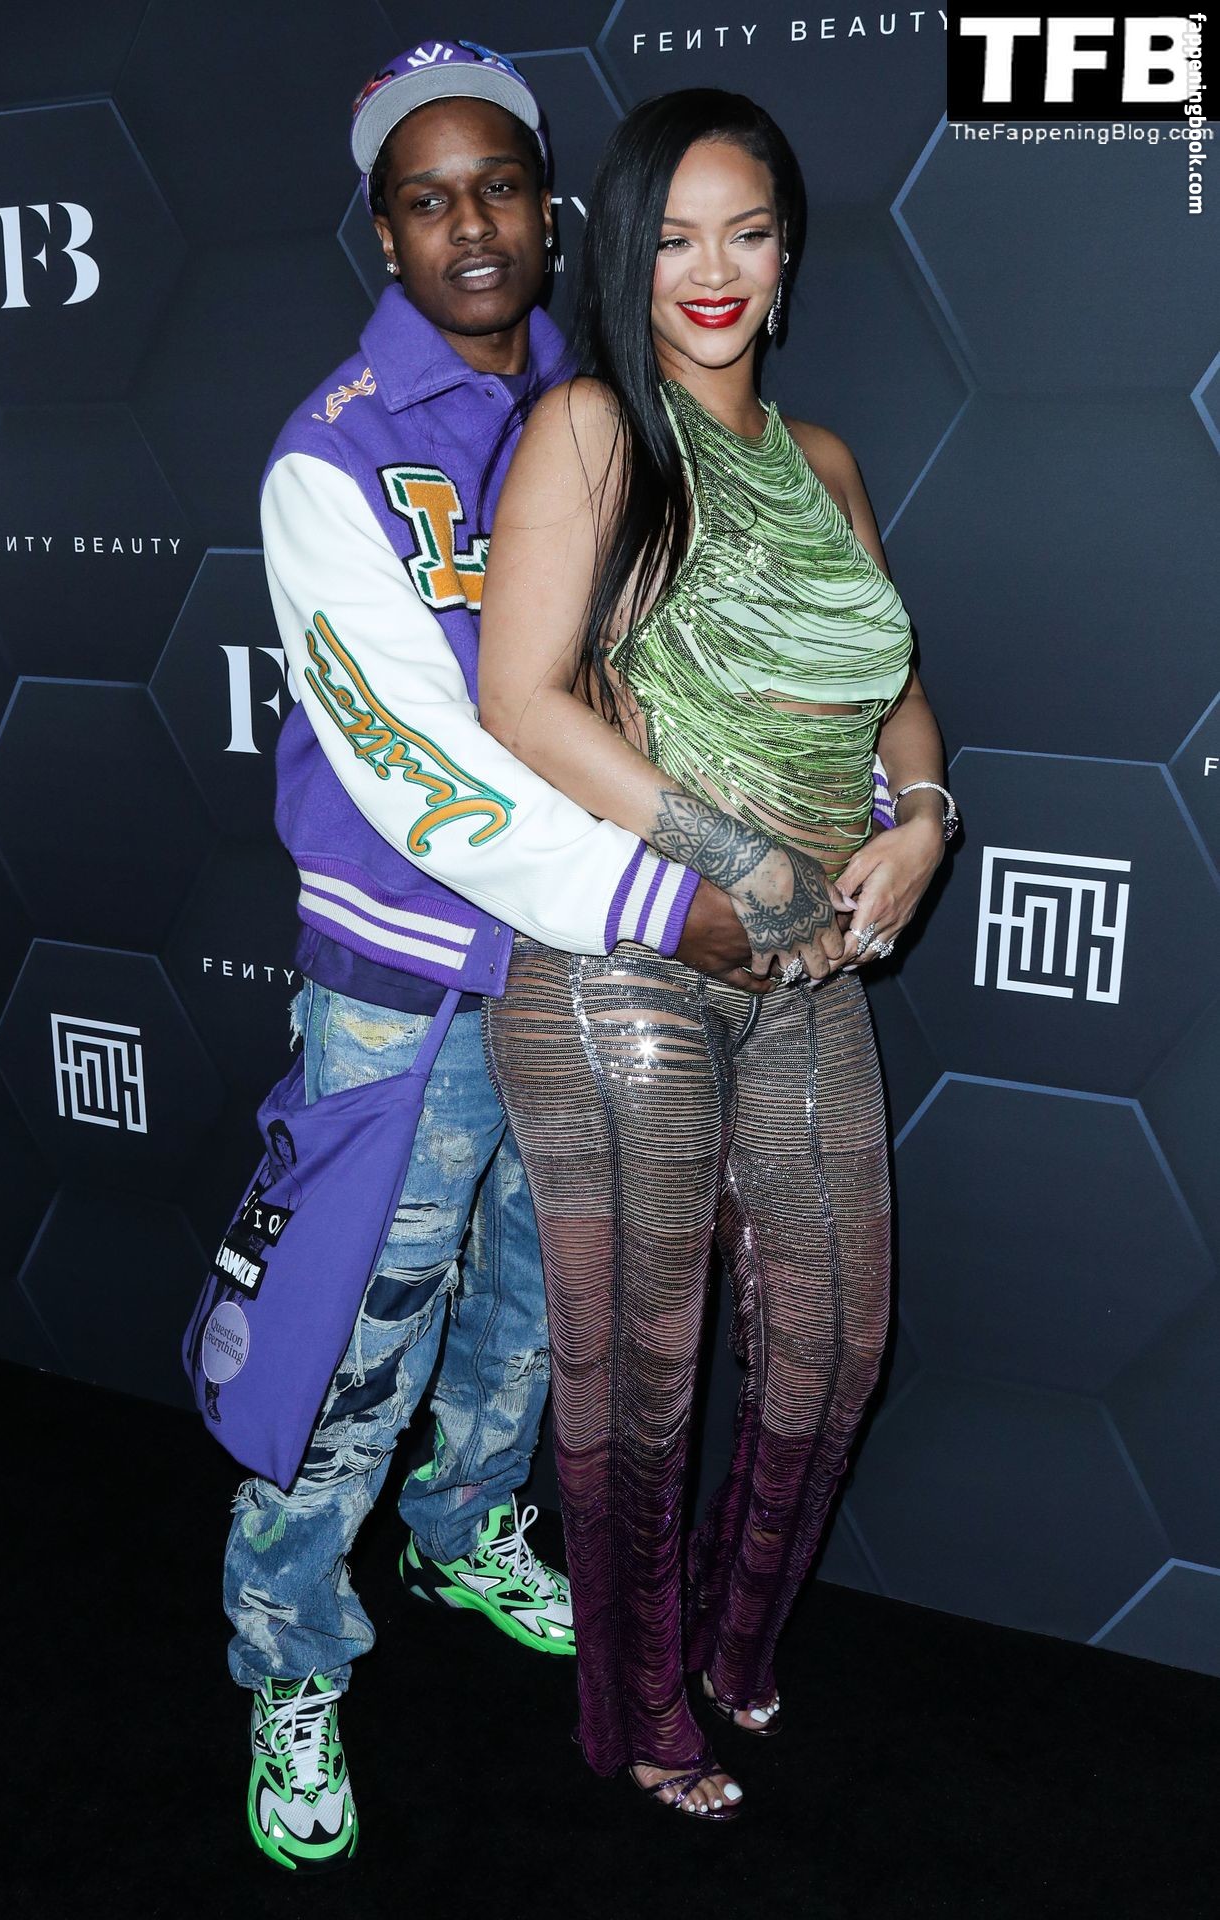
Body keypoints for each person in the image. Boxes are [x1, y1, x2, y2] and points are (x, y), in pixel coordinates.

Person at [231, 46, 759, 1871]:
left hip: (586, 978)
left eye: (501, 189)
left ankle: (465, 1534)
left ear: (552, 207)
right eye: (428, 199)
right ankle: (290, 1653)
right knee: (351, 1337)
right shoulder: (330, 451)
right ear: (383, 230)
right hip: (410, 978)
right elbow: (414, 763)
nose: (472, 227)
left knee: (536, 1298)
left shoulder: (606, 400)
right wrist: (661, 902)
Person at [478, 88, 956, 1821]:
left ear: (788, 254)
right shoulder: (594, 429)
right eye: (675, 235)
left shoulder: (822, 463)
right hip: (627, 969)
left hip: (807, 973)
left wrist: (923, 815)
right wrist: (736, 850)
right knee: (644, 1367)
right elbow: (518, 698)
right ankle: (636, 1711)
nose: (713, 268)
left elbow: (892, 684)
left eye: (747, 232)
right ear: (624, 250)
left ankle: (734, 1650)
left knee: (835, 1351)